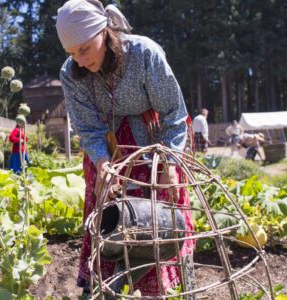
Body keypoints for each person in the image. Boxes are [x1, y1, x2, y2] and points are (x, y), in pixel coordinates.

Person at [56, 0, 195, 296]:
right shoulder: (71, 72)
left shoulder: (144, 53)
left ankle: (156, 287)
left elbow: (174, 113)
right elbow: (88, 128)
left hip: (155, 132)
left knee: (158, 210)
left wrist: (170, 162)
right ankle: (105, 284)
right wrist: (103, 164)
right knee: (107, 207)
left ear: (104, 32)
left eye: (84, 49)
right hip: (108, 140)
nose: (79, 59)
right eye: (71, 52)